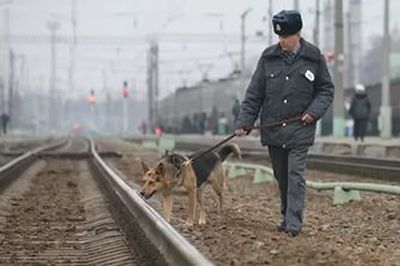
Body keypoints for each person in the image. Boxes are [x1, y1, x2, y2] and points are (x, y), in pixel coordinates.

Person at [235, 10, 334, 236]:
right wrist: (245, 122)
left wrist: (313, 112)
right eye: (279, 37)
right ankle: (286, 214)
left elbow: (326, 90)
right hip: (273, 129)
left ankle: (293, 223)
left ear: (297, 34)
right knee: (281, 176)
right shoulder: (268, 57)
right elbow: (254, 93)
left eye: (286, 37)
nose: (281, 42)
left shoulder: (314, 57)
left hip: (301, 128)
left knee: (295, 176)